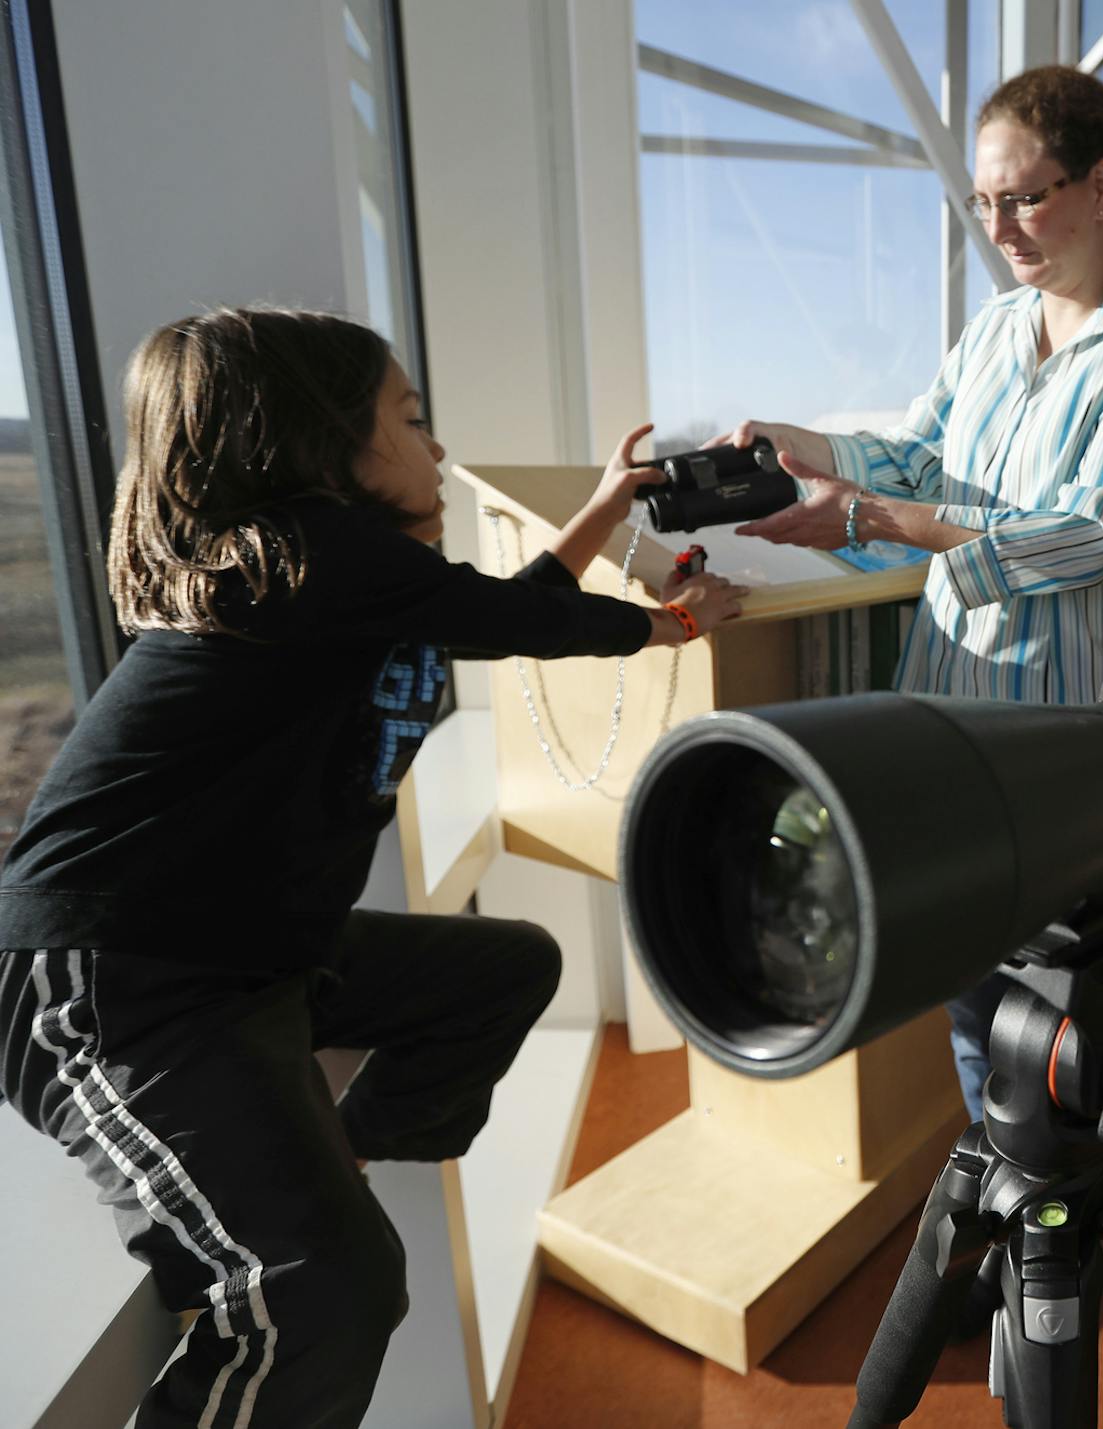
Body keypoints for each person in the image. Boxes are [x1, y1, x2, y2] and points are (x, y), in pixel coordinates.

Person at [0, 307, 741, 1429]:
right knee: (321, 1292)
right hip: (111, 981)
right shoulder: (308, 557)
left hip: (250, 956)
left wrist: (599, 511)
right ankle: (296, 1190)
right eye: (410, 418)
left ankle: (328, 1153)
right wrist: (672, 626)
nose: (438, 450)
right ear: (312, 445)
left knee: (503, 971)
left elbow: (498, 606)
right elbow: (513, 619)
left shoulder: (345, 584)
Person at [718, 64, 1103, 1341]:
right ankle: (1013, 1257)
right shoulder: (998, 327)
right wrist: (811, 453)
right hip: (953, 713)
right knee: (974, 1009)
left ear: (1102, 186)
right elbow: (926, 455)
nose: (998, 227)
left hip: (1074, 744)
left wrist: (877, 517)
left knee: (1085, 1028)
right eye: (983, 202)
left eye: (1024, 198)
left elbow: (1087, 537)